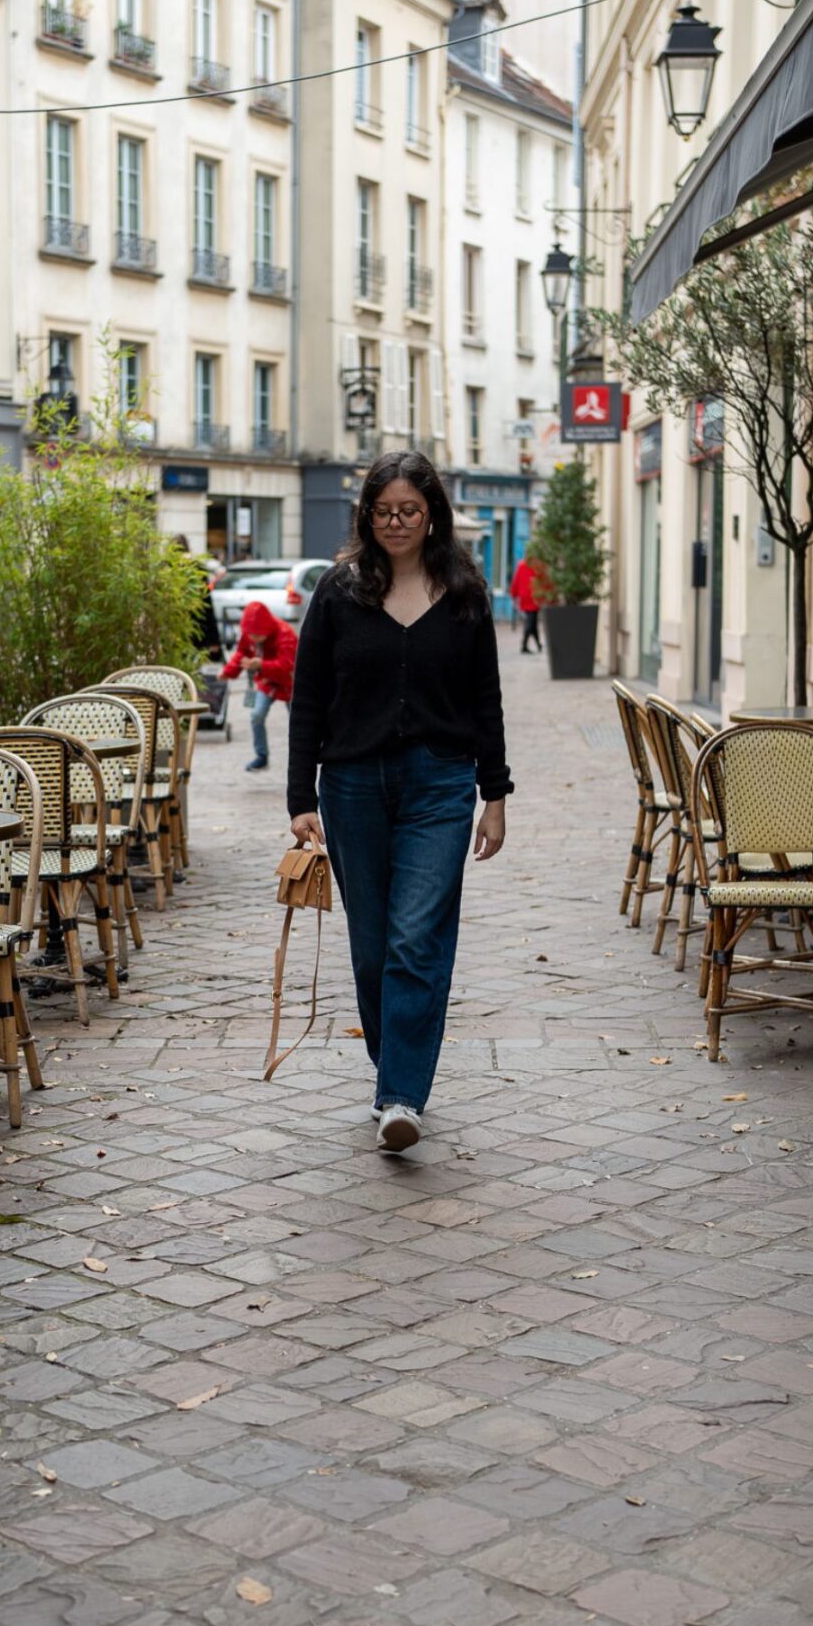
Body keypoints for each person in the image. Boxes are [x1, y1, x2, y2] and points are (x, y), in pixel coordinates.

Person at [288, 450, 510, 1154]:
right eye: (384, 512)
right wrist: (300, 796)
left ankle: (400, 1095)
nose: (397, 523)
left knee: (417, 940)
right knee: (371, 949)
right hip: (352, 786)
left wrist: (494, 793)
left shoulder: (464, 591)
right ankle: (396, 1069)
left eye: (409, 511)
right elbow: (309, 699)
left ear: (432, 514)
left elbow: (486, 702)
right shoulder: (338, 592)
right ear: (367, 516)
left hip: (441, 785)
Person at [221, 598, 296, 772]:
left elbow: (287, 665)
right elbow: (242, 653)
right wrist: (228, 672)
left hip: (289, 683)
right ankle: (261, 756)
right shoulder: (250, 635)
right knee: (257, 715)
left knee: (297, 723)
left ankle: (301, 758)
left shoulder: (285, 634)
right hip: (267, 681)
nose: (253, 639)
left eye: (256, 636)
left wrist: (261, 664)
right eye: (251, 635)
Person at [510, 550, 543, 653]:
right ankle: (524, 646)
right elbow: (542, 581)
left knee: (532, 622)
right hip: (534, 597)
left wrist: (514, 594)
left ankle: (538, 645)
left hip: (525, 596)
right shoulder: (537, 565)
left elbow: (516, 581)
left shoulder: (521, 565)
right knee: (531, 622)